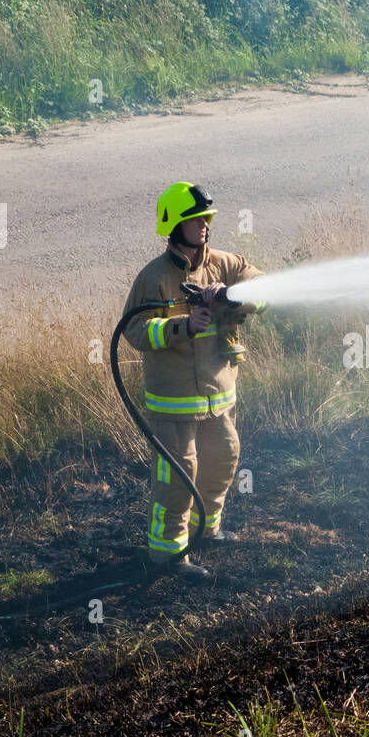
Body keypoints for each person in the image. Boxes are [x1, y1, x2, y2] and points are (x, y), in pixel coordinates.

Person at [122, 182, 266, 579]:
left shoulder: (224, 264)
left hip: (218, 395)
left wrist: (234, 295)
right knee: (178, 476)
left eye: (206, 219)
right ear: (174, 225)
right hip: (174, 401)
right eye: (194, 219)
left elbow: (266, 291)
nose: (203, 225)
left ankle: (207, 530)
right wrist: (180, 326)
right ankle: (168, 554)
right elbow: (133, 331)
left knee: (223, 458)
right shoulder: (153, 278)